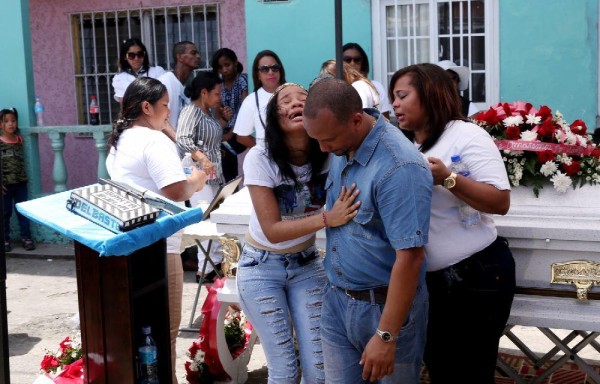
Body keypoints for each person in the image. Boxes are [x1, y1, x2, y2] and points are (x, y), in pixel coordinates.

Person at [389, 63, 515, 383]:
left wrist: (448, 178)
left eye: (403, 95)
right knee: (442, 368)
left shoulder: (466, 134)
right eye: (393, 97)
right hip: (433, 282)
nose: (395, 104)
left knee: (469, 371)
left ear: (430, 94)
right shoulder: (410, 147)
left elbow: (500, 201)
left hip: (477, 276)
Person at [303, 78, 433, 384]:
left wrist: (386, 335)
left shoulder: (400, 167)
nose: (323, 149)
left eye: (328, 139)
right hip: (337, 299)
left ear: (357, 119)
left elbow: (411, 258)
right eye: (317, 140)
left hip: (383, 309)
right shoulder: (343, 144)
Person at [236, 83, 360, 384]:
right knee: (284, 369)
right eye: (285, 101)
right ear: (273, 117)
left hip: (306, 265)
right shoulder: (260, 157)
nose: (295, 103)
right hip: (261, 267)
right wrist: (328, 219)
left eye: (303, 99)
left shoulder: (330, 152)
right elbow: (273, 230)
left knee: (319, 369)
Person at [106, 77, 207, 384]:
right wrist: (199, 179)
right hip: (161, 246)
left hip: (131, 241)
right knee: (164, 333)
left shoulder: (122, 138)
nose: (168, 113)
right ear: (147, 107)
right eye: (164, 106)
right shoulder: (153, 140)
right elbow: (176, 191)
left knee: (142, 331)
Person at [176, 71, 226, 281]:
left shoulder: (207, 113)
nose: (219, 97)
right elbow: (183, 139)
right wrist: (202, 157)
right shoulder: (191, 111)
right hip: (198, 176)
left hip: (214, 176)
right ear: (204, 93)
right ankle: (204, 270)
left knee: (217, 219)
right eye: (216, 93)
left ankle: (213, 265)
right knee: (206, 222)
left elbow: (210, 139)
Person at [233, 49, 286, 149]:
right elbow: (242, 136)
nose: (271, 72)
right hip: (267, 161)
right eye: (264, 69)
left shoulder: (292, 92)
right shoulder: (251, 101)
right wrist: (263, 152)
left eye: (275, 68)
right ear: (258, 75)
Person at [0, 108, 35, 252]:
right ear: (1, 125)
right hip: (5, 185)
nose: (10, 124)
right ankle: (5, 239)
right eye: (6, 121)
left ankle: (26, 238)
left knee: (23, 211)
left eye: (13, 121)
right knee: (5, 213)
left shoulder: (19, 139)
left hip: (21, 183)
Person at [211, 48, 249, 182]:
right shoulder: (219, 86)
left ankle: (231, 188)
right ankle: (224, 187)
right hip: (227, 128)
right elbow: (218, 115)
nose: (224, 70)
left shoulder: (243, 81)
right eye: (220, 67)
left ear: (235, 62)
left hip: (244, 130)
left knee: (226, 150)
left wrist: (230, 134)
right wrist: (222, 127)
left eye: (227, 65)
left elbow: (245, 113)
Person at [158, 41, 201, 140]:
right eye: (193, 53)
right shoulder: (165, 82)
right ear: (180, 57)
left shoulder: (186, 87)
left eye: (198, 53)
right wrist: (180, 141)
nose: (198, 56)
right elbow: (159, 119)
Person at [342, 42, 392, 119]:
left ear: (363, 63)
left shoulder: (376, 87)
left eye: (357, 60)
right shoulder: (337, 88)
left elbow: (386, 121)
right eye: (347, 60)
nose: (352, 63)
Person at [111, 38, 166, 103]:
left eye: (140, 54)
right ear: (125, 57)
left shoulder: (157, 72)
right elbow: (124, 105)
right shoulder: (120, 78)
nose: (136, 58)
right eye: (131, 55)